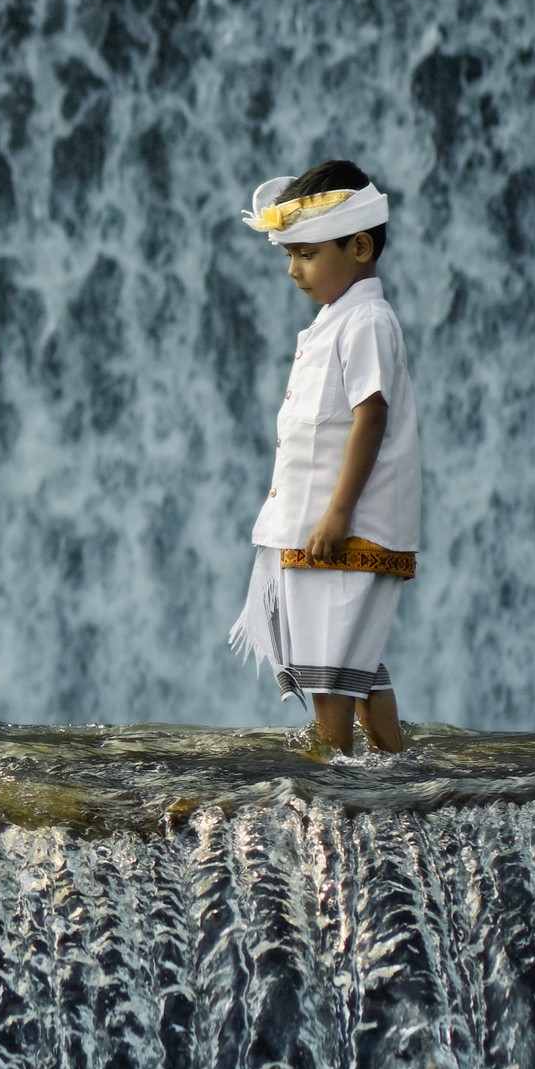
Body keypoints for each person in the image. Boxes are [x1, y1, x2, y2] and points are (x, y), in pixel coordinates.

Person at [227, 161, 420, 755]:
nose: (293, 270)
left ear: (359, 245)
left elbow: (372, 416)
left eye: (306, 254)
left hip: (345, 527)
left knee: (331, 664)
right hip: (325, 525)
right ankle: (389, 759)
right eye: (289, 255)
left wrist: (337, 513)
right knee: (355, 659)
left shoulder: (364, 321)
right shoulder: (338, 320)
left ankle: (332, 773)